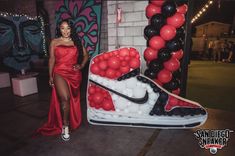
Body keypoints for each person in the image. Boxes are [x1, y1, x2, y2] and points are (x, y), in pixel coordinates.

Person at [36, 19, 89, 141]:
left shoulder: (76, 42)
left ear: (72, 29)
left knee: (72, 99)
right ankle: (65, 126)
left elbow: (86, 55)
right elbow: (52, 59)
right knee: (65, 98)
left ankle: (69, 120)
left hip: (74, 75)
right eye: (62, 28)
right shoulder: (54, 42)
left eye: (68, 28)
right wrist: (50, 75)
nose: (65, 31)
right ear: (59, 29)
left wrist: (81, 65)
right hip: (59, 72)